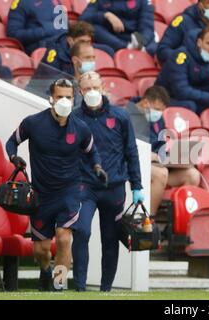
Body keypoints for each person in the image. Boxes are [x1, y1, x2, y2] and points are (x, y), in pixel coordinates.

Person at [5, 78, 107, 291]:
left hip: (69, 192)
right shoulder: (33, 123)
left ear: (74, 98)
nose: (64, 101)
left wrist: (97, 168)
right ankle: (45, 271)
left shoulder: (80, 127)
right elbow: (11, 141)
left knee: (63, 239)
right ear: (50, 98)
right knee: (41, 250)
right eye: (60, 96)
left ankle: (58, 286)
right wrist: (14, 157)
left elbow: (92, 151)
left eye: (68, 97)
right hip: (41, 195)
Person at [72, 71, 143, 292]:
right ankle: (80, 289)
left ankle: (105, 290)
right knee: (81, 231)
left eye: (95, 87)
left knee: (110, 240)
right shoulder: (74, 118)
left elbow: (131, 152)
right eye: (86, 88)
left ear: (103, 87)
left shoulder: (120, 117)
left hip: (114, 188)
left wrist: (137, 186)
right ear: (80, 91)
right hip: (84, 187)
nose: (91, 92)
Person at [128, 86, 201, 215]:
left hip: (155, 162)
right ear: (145, 102)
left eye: (161, 111)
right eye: (157, 109)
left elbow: (159, 144)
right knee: (161, 173)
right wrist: (149, 155)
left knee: (192, 175)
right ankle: (148, 220)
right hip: (135, 166)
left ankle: (181, 220)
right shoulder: (126, 115)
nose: (159, 114)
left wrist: (173, 157)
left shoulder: (157, 119)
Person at [155, 25, 209, 115]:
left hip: (196, 98)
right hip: (168, 98)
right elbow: (181, 91)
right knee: (190, 106)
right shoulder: (180, 56)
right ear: (199, 42)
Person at [157, 0, 209, 70]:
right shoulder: (183, 22)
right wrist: (185, 60)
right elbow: (162, 50)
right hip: (186, 72)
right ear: (200, 5)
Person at [35, 21, 114, 78]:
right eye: (82, 41)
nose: (85, 45)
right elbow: (51, 80)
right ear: (70, 40)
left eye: (88, 42)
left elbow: (109, 50)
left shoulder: (87, 50)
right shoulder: (55, 52)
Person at [27, 41, 97, 104]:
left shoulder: (96, 83)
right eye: (87, 58)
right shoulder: (59, 83)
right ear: (75, 60)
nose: (92, 61)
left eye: (93, 57)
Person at [79, 0, 156, 55]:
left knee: (157, 48)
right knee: (91, 27)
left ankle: (139, 48)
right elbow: (83, 18)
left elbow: (147, 26)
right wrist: (105, 15)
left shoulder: (143, 1)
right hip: (111, 39)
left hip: (135, 37)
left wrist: (142, 42)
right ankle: (127, 47)